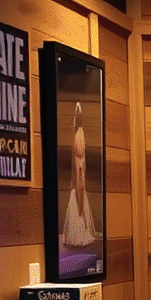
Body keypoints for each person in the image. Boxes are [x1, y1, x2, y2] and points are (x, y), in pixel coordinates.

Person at [61, 102, 97, 247]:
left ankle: (80, 231)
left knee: (80, 199)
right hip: (78, 170)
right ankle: (77, 232)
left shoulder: (79, 134)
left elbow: (80, 156)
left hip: (80, 170)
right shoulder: (77, 135)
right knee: (77, 199)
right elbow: (78, 157)